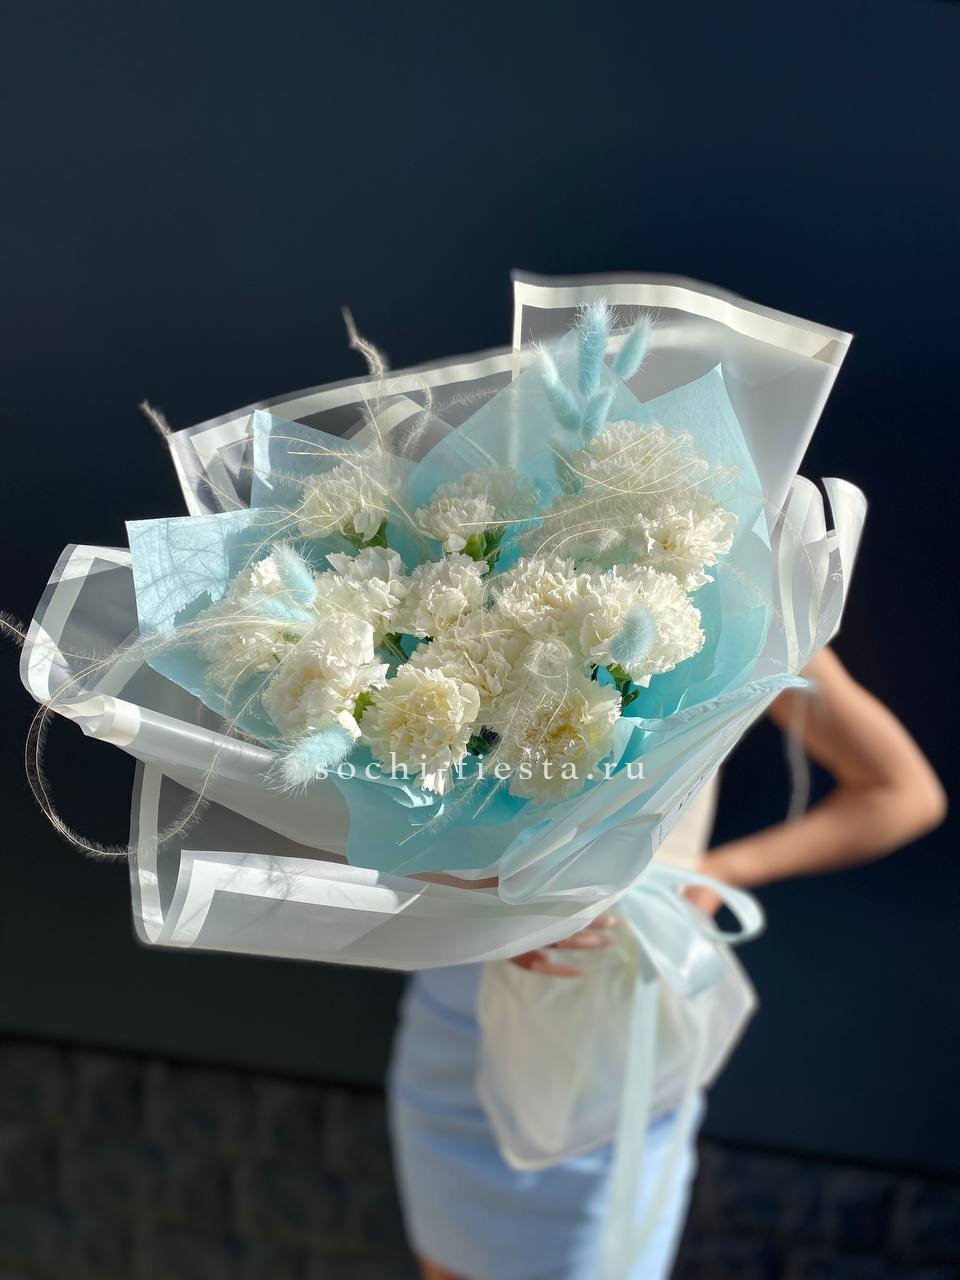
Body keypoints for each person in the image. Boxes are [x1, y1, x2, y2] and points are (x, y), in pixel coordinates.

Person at [387, 648, 945, 1280]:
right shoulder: (458, 602)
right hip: (456, 1017)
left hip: (610, 1034)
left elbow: (903, 793)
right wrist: (471, 900)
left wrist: (719, 873)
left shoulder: (761, 616)